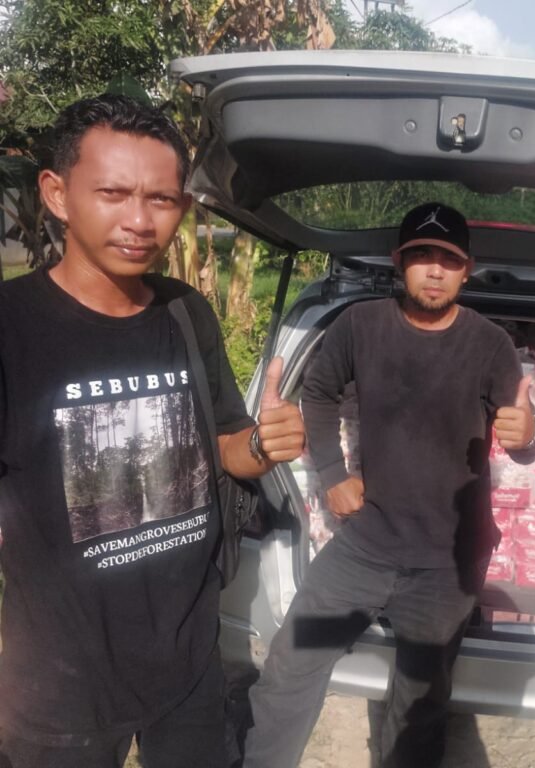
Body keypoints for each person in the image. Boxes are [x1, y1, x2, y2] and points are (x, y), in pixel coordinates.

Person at [0, 94, 306, 768]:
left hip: (187, 660)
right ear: (57, 194)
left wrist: (262, 444)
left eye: (161, 200)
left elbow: (223, 444)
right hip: (61, 684)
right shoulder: (12, 325)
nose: (140, 221)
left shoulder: (185, 313)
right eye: (113, 193)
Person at [243, 202, 535, 768]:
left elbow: (525, 434)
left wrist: (531, 434)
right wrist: (332, 474)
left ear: (466, 271)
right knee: (289, 665)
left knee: (419, 707)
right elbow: (319, 393)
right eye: (421, 255)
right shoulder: (359, 325)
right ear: (398, 261)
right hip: (366, 544)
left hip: (448, 562)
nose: (434, 270)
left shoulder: (489, 345)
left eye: (448, 260)